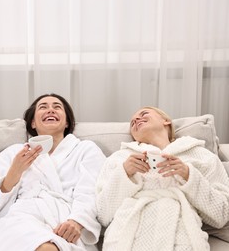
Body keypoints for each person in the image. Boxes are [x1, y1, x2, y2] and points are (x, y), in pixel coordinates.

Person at [95, 106, 229, 250]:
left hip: (181, 237)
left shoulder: (200, 154)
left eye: (144, 114)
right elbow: (103, 214)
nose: (136, 120)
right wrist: (124, 175)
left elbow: (221, 214)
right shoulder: (120, 158)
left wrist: (189, 176)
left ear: (165, 121)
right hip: (125, 236)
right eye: (132, 122)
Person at [0, 93, 106, 251]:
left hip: (67, 219)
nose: (50, 110)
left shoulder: (86, 149)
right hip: (23, 218)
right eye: (43, 107)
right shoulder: (13, 153)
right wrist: (15, 171)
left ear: (67, 122)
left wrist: (77, 222)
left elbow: (92, 192)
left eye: (57, 107)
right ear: (33, 123)